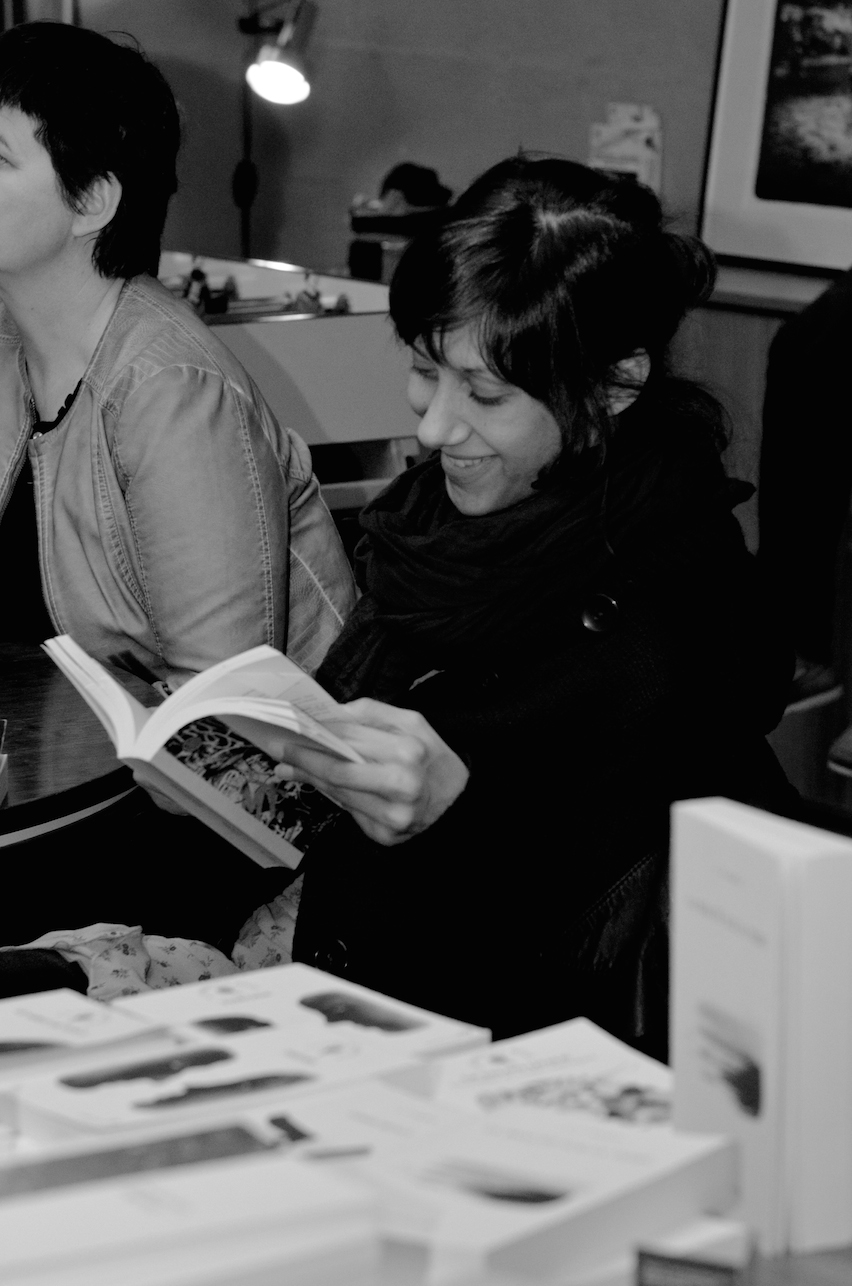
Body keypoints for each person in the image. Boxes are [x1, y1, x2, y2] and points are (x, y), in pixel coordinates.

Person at [271, 155, 797, 1060]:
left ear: (616, 384)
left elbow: (588, 935)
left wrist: (453, 815)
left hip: (512, 1062)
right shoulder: (441, 519)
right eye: (424, 371)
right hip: (358, 1001)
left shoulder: (672, 616)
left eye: (485, 394)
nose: (433, 428)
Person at [0, 23, 353, 960]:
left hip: (221, 821)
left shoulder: (170, 388)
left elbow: (226, 726)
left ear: (92, 201)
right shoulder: (8, 344)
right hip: (75, 779)